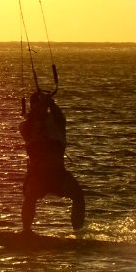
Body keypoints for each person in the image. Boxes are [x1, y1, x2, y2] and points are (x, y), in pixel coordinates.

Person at [19, 89, 85, 233]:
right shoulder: (27, 125)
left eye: (43, 106)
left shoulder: (57, 123)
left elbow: (59, 116)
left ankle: (78, 233)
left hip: (58, 174)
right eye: (36, 106)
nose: (40, 109)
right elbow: (26, 131)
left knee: (78, 196)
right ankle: (26, 232)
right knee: (30, 196)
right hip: (38, 175)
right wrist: (34, 114)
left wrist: (51, 104)